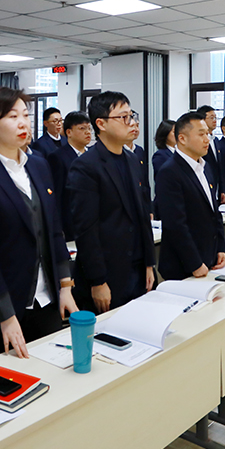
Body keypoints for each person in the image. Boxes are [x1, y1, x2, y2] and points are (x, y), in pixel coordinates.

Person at [0, 88, 77, 364]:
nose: (23, 123)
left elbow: (53, 228)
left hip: (46, 302)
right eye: (12, 117)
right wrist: (6, 315)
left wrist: (65, 286)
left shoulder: (39, 165)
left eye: (25, 115)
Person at [68, 92, 155, 314]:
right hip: (108, 272)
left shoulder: (133, 159)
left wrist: (149, 263)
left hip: (137, 267)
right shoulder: (86, 166)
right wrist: (98, 280)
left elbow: (142, 214)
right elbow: (86, 229)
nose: (131, 122)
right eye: (123, 117)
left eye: (131, 116)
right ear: (101, 124)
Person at [156, 112, 225, 280]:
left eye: (207, 134)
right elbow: (175, 224)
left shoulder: (205, 167)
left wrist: (221, 248)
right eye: (201, 134)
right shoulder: (170, 171)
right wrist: (194, 263)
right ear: (182, 138)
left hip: (210, 258)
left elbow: (214, 212)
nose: (207, 139)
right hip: (184, 265)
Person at [47, 111, 92, 243]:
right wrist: (58, 228)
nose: (88, 132)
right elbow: (57, 195)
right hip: (71, 223)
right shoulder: (58, 157)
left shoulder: (94, 155)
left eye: (89, 128)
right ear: (69, 132)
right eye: (82, 128)